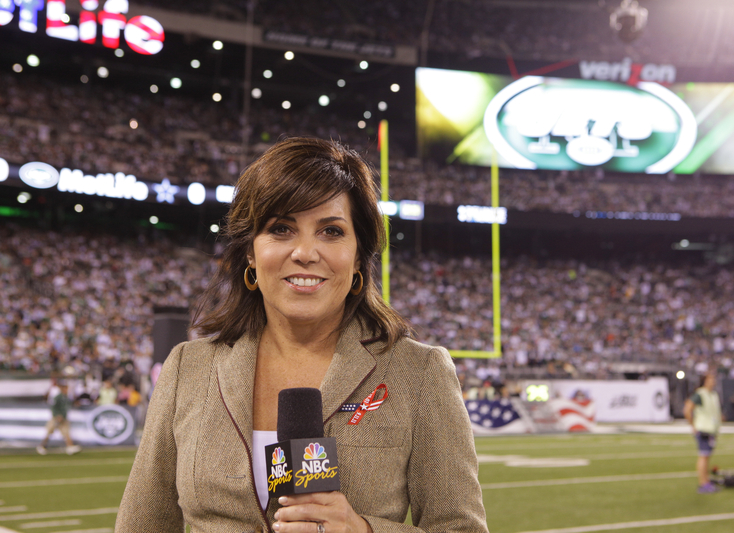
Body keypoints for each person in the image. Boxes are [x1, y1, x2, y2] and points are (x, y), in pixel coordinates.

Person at [116, 138, 488, 533]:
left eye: (331, 231)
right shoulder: (188, 368)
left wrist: (361, 529)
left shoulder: (418, 372)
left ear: (359, 255)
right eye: (281, 229)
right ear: (250, 254)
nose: (305, 252)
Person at [683, 373, 722, 493]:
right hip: (703, 429)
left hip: (711, 429)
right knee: (703, 456)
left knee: (707, 456)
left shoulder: (713, 394)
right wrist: (693, 425)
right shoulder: (700, 394)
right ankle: (703, 483)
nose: (713, 381)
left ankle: (706, 481)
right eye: (711, 379)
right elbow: (687, 409)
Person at [37, 381, 81, 456]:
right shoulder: (57, 397)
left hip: (63, 419)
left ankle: (70, 447)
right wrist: (57, 415)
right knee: (49, 432)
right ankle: (42, 446)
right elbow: (53, 407)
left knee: (66, 433)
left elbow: (68, 406)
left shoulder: (66, 397)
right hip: (56, 418)